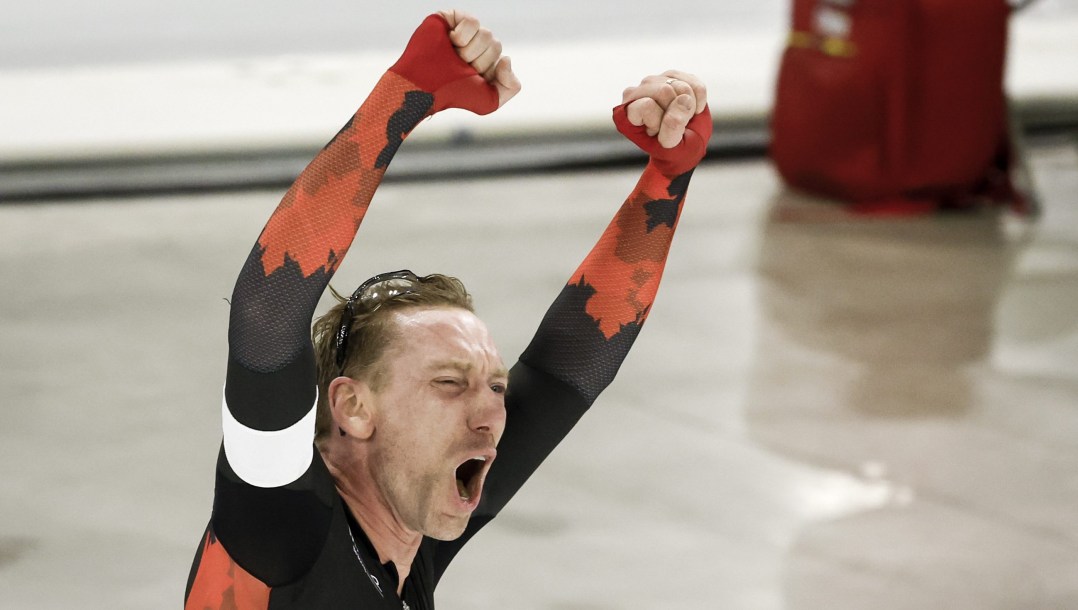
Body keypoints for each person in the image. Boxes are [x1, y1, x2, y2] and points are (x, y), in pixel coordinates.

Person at [184, 9, 711, 609]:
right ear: (353, 407)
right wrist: (406, 94)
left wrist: (667, 178)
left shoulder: (410, 539)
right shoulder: (282, 523)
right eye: (449, 383)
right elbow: (265, 317)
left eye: (493, 386)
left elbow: (568, 370)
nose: (491, 414)